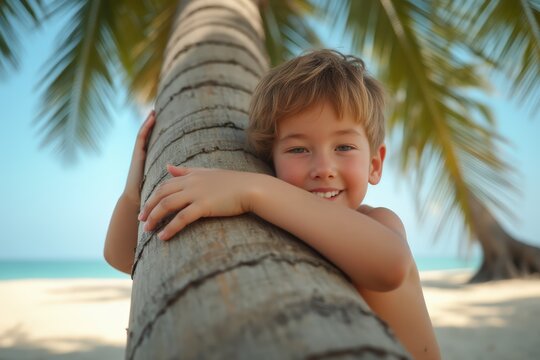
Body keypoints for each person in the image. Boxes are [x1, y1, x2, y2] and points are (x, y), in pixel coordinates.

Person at [104, 49, 440, 359]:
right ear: (270, 161)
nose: (323, 168)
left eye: (344, 148)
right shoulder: (282, 223)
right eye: (298, 149)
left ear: (375, 164)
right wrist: (135, 188)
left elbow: (390, 265)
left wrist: (254, 189)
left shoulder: (379, 221)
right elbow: (124, 256)